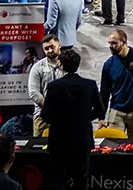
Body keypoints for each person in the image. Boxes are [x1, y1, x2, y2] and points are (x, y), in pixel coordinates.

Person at [40, 48, 104, 190]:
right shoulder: (90, 85)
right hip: (82, 141)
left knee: (59, 181)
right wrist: (84, 119)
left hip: (59, 142)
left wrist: (59, 120)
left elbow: (45, 116)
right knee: (81, 181)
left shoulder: (54, 86)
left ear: (61, 65)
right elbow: (100, 110)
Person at [26, 35, 62, 138]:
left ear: (59, 45)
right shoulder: (37, 67)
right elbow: (33, 93)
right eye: (46, 48)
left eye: (52, 47)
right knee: (39, 151)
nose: (50, 50)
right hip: (42, 116)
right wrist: (49, 107)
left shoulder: (67, 65)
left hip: (64, 116)